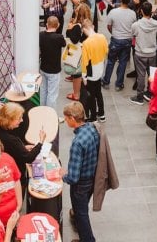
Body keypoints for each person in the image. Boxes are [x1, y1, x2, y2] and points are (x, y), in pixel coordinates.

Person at [62, 101, 100, 242]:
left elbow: (73, 178)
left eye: (66, 118)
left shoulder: (77, 142)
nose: (65, 121)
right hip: (92, 177)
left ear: (72, 118)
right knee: (81, 208)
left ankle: (88, 239)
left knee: (81, 213)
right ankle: (77, 222)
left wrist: (62, 175)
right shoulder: (92, 127)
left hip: (81, 184)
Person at [0, 102, 46, 196]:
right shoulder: (12, 140)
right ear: (10, 119)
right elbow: (29, 158)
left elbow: (10, 148)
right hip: (16, 171)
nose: (21, 120)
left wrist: (22, 148)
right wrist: (40, 142)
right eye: (19, 118)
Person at [102, 0, 136, 91]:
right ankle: (119, 84)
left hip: (116, 39)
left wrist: (114, 32)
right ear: (129, 1)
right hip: (127, 41)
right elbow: (133, 27)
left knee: (111, 61)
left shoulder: (113, 12)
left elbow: (109, 26)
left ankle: (106, 81)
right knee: (123, 62)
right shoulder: (133, 13)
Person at [129, 1, 157, 105]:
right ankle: (151, 93)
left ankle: (139, 97)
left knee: (141, 75)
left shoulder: (136, 25)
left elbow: (133, 35)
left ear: (141, 11)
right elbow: (156, 34)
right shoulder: (156, 24)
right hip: (152, 53)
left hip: (140, 53)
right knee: (152, 74)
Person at [80, 18, 107, 122]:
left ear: (84, 29)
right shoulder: (102, 37)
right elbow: (106, 51)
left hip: (91, 72)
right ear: (93, 27)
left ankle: (93, 117)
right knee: (98, 93)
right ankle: (102, 114)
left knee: (91, 96)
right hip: (100, 69)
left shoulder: (86, 43)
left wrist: (84, 76)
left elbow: (84, 62)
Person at [65, 3, 92, 102]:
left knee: (76, 74)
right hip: (86, 51)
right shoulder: (89, 23)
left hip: (77, 54)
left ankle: (76, 94)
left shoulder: (77, 26)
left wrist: (69, 29)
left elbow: (74, 40)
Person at [39, 15, 66, 112]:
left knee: (43, 91)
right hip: (54, 70)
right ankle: (50, 113)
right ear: (58, 25)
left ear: (46, 24)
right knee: (52, 94)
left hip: (43, 67)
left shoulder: (41, 35)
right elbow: (64, 44)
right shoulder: (59, 37)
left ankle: (42, 109)